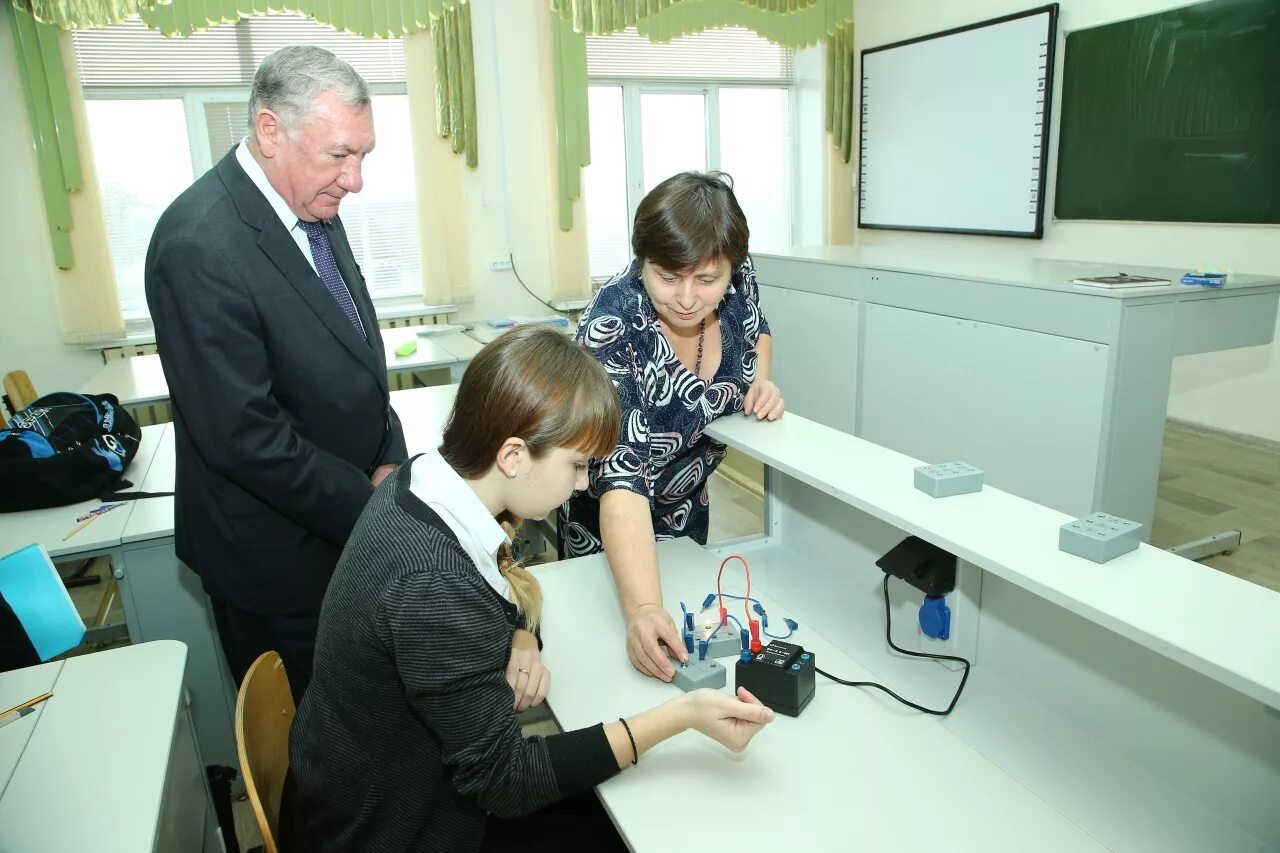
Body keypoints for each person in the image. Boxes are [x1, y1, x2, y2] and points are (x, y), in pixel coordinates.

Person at [279, 325, 774, 852]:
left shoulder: (424, 483)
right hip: (387, 829)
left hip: (364, 783)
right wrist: (680, 716)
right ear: (514, 456)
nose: (583, 485)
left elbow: (499, 580)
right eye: (578, 466)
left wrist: (522, 635)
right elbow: (507, 783)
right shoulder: (432, 585)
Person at [144, 45, 406, 702]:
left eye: (364, 156)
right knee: (316, 755)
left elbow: (353, 349)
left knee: (365, 729)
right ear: (269, 131)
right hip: (276, 563)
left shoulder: (312, 203)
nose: (356, 180)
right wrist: (370, 502)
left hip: (340, 528)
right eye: (340, 155)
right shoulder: (198, 243)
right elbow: (243, 435)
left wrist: (389, 456)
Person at [558, 171, 784, 683]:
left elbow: (758, 329)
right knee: (615, 666)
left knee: (693, 634)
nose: (686, 297)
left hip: (688, 505)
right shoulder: (612, 327)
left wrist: (760, 383)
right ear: (643, 263)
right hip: (609, 522)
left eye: (706, 281)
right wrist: (640, 609)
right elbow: (621, 477)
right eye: (667, 277)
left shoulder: (736, 278)